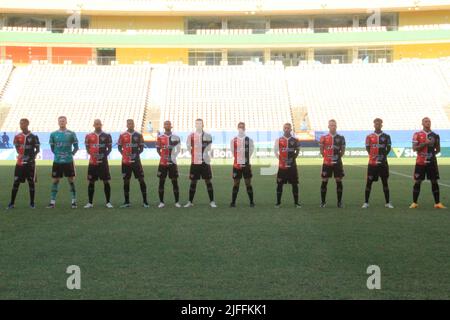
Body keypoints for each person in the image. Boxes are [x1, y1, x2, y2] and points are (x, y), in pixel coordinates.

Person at [410, 117, 446, 209]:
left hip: (432, 162)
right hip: (420, 162)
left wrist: (431, 155)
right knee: (418, 181)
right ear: (422, 123)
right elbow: (414, 148)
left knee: (434, 181)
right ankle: (414, 203)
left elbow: (438, 149)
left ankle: (437, 203)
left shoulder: (435, 135)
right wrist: (425, 144)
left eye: (429, 121)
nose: (428, 123)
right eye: (426, 121)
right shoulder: (417, 134)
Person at [46, 116, 79, 209]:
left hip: (68, 161)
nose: (62, 122)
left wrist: (71, 154)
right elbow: (52, 148)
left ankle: (73, 201)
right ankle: (52, 202)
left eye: (63, 121)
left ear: (66, 122)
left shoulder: (71, 133)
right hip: (57, 161)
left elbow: (76, 147)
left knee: (71, 180)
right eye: (60, 121)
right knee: (55, 180)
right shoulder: (53, 134)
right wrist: (58, 154)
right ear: (58, 122)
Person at [7, 119, 40, 209]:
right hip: (20, 163)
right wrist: (20, 154)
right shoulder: (17, 136)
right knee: (16, 182)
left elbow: (38, 149)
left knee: (31, 182)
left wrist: (32, 157)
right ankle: (12, 203)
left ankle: (32, 203)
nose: (21, 125)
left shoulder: (34, 136)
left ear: (27, 124)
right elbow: (17, 147)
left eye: (23, 123)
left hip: (30, 164)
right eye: (20, 123)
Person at [184, 119, 216, 208]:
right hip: (195, 162)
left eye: (200, 123)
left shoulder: (208, 136)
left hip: (205, 162)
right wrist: (194, 154)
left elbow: (209, 148)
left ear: (203, 125)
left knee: (208, 181)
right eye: (197, 123)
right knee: (193, 181)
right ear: (195, 125)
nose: (198, 125)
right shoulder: (191, 136)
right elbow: (188, 146)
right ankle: (190, 201)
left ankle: (212, 201)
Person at [362, 118, 393, 209]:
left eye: (379, 124)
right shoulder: (369, 136)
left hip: (383, 164)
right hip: (372, 164)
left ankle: (387, 203)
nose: (377, 125)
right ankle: (366, 202)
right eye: (376, 123)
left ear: (381, 125)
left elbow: (388, 148)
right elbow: (368, 148)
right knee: (369, 182)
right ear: (374, 125)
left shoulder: (387, 136)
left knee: (385, 182)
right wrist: (373, 156)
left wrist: (383, 156)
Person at [118, 119, 149, 208]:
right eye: (129, 123)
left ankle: (145, 202)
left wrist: (136, 155)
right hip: (126, 162)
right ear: (126, 125)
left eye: (132, 123)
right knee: (126, 181)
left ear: (134, 124)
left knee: (141, 179)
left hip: (136, 162)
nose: (130, 125)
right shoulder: (122, 135)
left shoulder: (138, 135)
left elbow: (142, 147)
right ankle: (127, 202)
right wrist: (124, 155)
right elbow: (120, 147)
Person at [84, 119, 113, 209]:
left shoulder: (107, 135)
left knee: (106, 181)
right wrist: (92, 155)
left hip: (103, 163)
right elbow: (87, 147)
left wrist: (104, 156)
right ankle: (90, 202)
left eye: (99, 124)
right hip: (93, 163)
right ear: (93, 125)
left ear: (101, 125)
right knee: (91, 181)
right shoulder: (89, 136)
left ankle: (108, 202)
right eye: (96, 124)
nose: (98, 125)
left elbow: (109, 148)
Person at [319, 119, 346, 208]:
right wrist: (327, 158)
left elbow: (342, 151)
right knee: (324, 181)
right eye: (331, 125)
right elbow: (322, 151)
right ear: (328, 126)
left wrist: (337, 158)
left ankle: (339, 202)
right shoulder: (324, 137)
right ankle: (323, 202)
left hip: (337, 163)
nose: (333, 127)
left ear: (336, 126)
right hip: (327, 163)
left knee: (338, 180)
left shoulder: (341, 137)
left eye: (334, 125)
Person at [274, 123, 301, 208]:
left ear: (291, 129)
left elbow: (297, 150)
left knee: (295, 184)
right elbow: (275, 151)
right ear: (283, 129)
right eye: (285, 128)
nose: (286, 129)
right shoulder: (279, 140)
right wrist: (280, 159)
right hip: (282, 167)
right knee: (279, 184)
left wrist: (293, 159)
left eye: (288, 128)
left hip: (292, 167)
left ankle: (296, 203)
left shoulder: (295, 140)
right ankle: (278, 203)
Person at [156, 120, 181, 208]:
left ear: (171, 126)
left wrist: (173, 157)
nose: (167, 125)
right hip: (163, 163)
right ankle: (161, 202)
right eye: (165, 124)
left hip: (172, 163)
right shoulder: (160, 137)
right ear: (164, 126)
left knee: (174, 182)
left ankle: (177, 202)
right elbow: (158, 149)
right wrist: (162, 157)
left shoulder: (176, 137)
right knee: (161, 182)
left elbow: (178, 149)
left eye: (168, 124)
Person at [230, 122, 255, 207]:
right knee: (236, 183)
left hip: (246, 166)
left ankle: (251, 202)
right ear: (238, 128)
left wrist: (246, 160)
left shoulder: (249, 140)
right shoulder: (234, 140)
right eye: (240, 127)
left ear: (244, 128)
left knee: (248, 183)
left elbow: (251, 150)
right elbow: (233, 152)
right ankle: (233, 202)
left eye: (242, 127)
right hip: (236, 166)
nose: (241, 128)